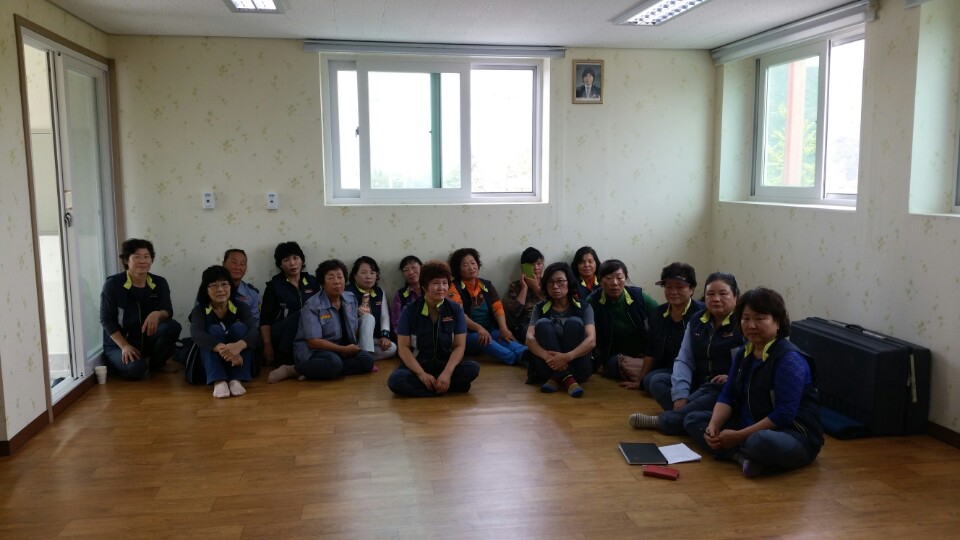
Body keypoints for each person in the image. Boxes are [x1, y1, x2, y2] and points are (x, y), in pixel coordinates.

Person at [683, 288, 824, 478]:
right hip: (748, 425)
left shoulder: (790, 359)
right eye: (746, 318)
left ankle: (740, 451)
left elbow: (783, 415)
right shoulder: (744, 352)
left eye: (760, 319)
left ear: (778, 321)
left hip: (791, 435)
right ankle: (740, 457)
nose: (751, 325)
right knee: (694, 419)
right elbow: (727, 394)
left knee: (760, 441)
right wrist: (714, 426)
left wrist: (737, 436)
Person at [629, 272, 743, 434]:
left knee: (713, 392)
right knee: (657, 381)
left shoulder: (743, 322)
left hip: (724, 388)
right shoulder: (697, 320)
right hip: (698, 384)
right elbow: (684, 359)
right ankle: (693, 416)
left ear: (735, 296)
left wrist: (733, 376)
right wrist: (680, 394)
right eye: (710, 294)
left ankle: (666, 420)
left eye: (723, 294)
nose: (716, 299)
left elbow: (751, 359)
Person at [270, 259, 374, 382]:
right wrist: (343, 350)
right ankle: (292, 370)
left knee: (367, 360)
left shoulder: (350, 298)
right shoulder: (313, 305)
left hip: (341, 349)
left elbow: (354, 327)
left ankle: (314, 371)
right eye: (331, 278)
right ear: (323, 283)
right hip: (315, 351)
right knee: (334, 363)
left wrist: (348, 348)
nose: (337, 281)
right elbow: (313, 342)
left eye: (340, 277)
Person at [388, 261, 480, 397]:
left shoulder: (455, 310)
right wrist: (421, 374)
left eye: (445, 283)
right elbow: (403, 348)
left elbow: (459, 346)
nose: (441, 288)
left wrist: (447, 373)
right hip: (418, 365)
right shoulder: (409, 310)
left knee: (473, 368)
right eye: (436, 283)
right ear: (424, 286)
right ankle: (444, 388)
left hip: (445, 365)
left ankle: (433, 387)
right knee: (395, 381)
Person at [99, 238, 182, 380]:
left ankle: (157, 364)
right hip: (119, 343)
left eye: (146, 256)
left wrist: (157, 314)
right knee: (136, 370)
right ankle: (122, 361)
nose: (142, 261)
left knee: (172, 326)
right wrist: (124, 346)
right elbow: (106, 319)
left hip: (146, 338)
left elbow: (168, 310)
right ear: (126, 260)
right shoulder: (113, 284)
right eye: (136, 257)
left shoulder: (159, 282)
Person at [525, 262, 595, 397]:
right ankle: (567, 377)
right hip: (548, 367)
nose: (555, 286)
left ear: (569, 283)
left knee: (575, 323)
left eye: (560, 281)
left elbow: (591, 340)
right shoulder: (539, 308)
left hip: (578, 367)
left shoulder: (584, 307)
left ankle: (558, 377)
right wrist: (548, 357)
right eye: (550, 282)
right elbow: (529, 338)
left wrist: (566, 357)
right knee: (543, 324)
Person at [447, 248, 528, 365]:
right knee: (480, 337)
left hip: (490, 330)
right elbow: (460, 315)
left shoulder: (486, 285)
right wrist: (479, 328)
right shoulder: (453, 287)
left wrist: (503, 328)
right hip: (467, 335)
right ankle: (515, 359)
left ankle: (528, 355)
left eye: (473, 263)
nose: (471, 267)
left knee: (503, 336)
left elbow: (498, 308)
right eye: (465, 265)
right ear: (457, 269)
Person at [189, 265, 257, 398]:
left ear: (231, 287)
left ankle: (236, 379)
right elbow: (196, 334)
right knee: (213, 329)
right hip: (210, 361)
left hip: (239, 360)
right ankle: (218, 380)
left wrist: (238, 346)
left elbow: (254, 331)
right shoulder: (199, 310)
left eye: (224, 284)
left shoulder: (241, 307)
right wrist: (225, 350)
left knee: (240, 328)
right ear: (205, 290)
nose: (220, 289)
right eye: (214, 285)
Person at [637, 262, 703, 392]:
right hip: (669, 368)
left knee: (655, 381)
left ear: (691, 289)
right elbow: (650, 350)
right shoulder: (657, 313)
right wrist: (639, 381)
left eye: (679, 287)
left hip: (695, 369)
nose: (673, 292)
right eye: (668, 287)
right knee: (649, 381)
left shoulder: (702, 313)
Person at [587, 259, 658, 380]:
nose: (614, 283)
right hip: (612, 357)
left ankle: (643, 371)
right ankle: (645, 373)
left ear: (625, 279)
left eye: (619, 277)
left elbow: (660, 315)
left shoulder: (638, 297)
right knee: (613, 365)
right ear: (600, 281)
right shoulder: (593, 301)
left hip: (641, 354)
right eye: (608, 278)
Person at [259, 241, 318, 367]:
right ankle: (281, 356)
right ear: (280, 264)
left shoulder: (312, 282)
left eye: (295, 258)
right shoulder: (274, 286)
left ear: (302, 260)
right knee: (302, 313)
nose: (292, 263)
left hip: (308, 331)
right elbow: (265, 319)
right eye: (286, 260)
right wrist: (267, 345)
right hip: (280, 331)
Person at [346, 256, 397, 364]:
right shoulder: (347, 292)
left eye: (372, 273)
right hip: (353, 337)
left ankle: (360, 356)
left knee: (392, 348)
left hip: (372, 339)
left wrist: (385, 336)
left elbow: (384, 316)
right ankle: (366, 360)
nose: (369, 276)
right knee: (368, 318)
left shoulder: (379, 292)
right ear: (355, 275)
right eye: (364, 272)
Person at [503, 247, 546, 344]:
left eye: (539, 263)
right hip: (526, 324)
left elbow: (554, 305)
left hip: (546, 320)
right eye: (531, 265)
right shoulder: (515, 286)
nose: (536, 268)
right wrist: (524, 288)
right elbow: (515, 314)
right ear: (524, 267)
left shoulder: (548, 282)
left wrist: (536, 288)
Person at [223, 248, 261, 327]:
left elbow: (255, 324)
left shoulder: (253, 294)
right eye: (234, 263)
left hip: (244, 333)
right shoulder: (210, 290)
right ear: (224, 264)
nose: (238, 267)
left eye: (242, 264)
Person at [390, 255, 423, 337]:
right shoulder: (400, 295)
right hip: (409, 336)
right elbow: (396, 322)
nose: (411, 272)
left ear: (422, 268)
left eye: (414, 267)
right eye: (406, 270)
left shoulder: (431, 290)